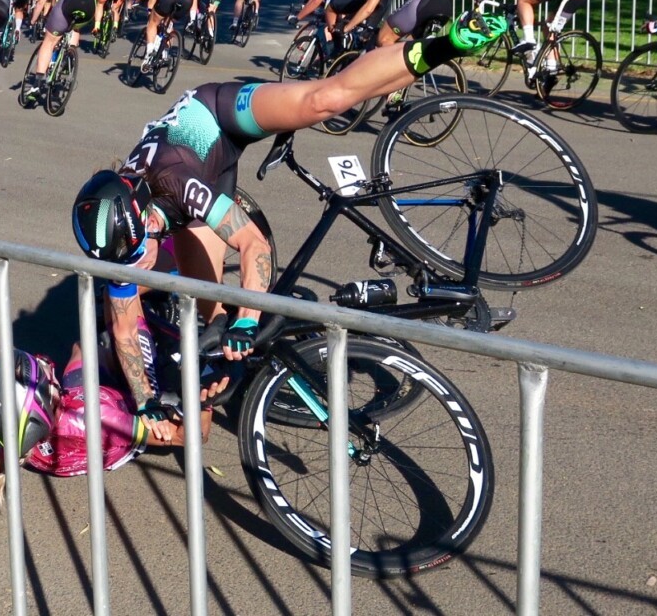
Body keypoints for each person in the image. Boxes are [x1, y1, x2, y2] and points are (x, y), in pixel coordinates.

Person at [69, 29, 489, 410]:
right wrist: (147, 407)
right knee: (204, 300)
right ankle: (222, 326)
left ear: (144, 215)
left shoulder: (176, 184)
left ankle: (446, 44)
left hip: (216, 113)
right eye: (131, 259)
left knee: (327, 100)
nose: (138, 262)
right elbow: (125, 333)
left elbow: (254, 245)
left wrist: (249, 321)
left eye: (141, 251)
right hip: (193, 189)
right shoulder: (123, 237)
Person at [0, 345, 188, 482]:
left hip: (74, 406)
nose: (47, 366)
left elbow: (3, 463)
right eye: (44, 377)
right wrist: (203, 393)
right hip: (117, 408)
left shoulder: (26, 447)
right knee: (107, 341)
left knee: (83, 345)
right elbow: (188, 436)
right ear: (42, 402)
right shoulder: (102, 420)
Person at [23, 0, 100, 101]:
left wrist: (32, 20)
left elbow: (42, 1)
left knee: (49, 42)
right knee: (75, 25)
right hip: (90, 7)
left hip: (69, 3)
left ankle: (37, 84)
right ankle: (69, 53)